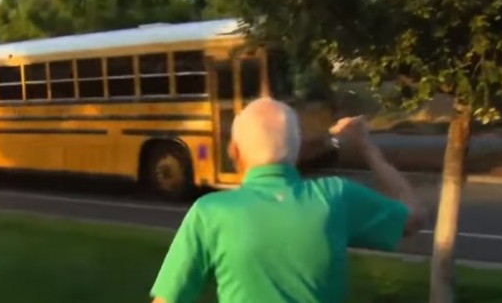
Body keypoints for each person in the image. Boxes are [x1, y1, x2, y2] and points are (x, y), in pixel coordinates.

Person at [150, 97, 425, 303]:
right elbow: (414, 217)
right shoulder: (336, 197)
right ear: (297, 151)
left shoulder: (208, 213)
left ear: (234, 152)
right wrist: (367, 147)